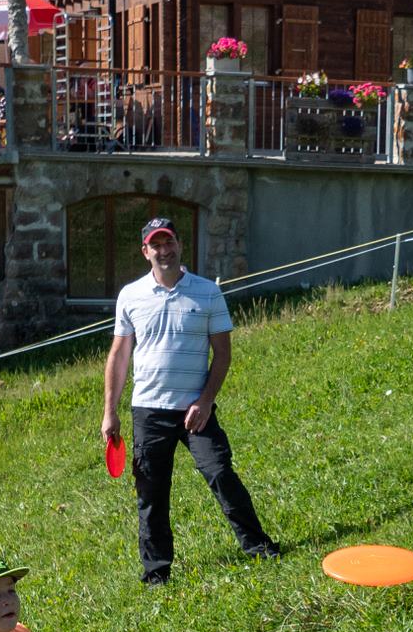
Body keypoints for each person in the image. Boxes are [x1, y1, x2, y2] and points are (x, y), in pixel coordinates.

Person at [102, 218, 283, 584]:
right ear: (145, 252)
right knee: (151, 491)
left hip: (195, 410)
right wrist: (110, 412)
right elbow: (119, 355)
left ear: (180, 245)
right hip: (149, 410)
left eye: (169, 242)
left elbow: (223, 354)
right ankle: (156, 573)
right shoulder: (130, 295)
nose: (163, 251)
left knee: (220, 473)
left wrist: (205, 401)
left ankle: (258, 547)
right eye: (156, 245)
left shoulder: (207, 293)